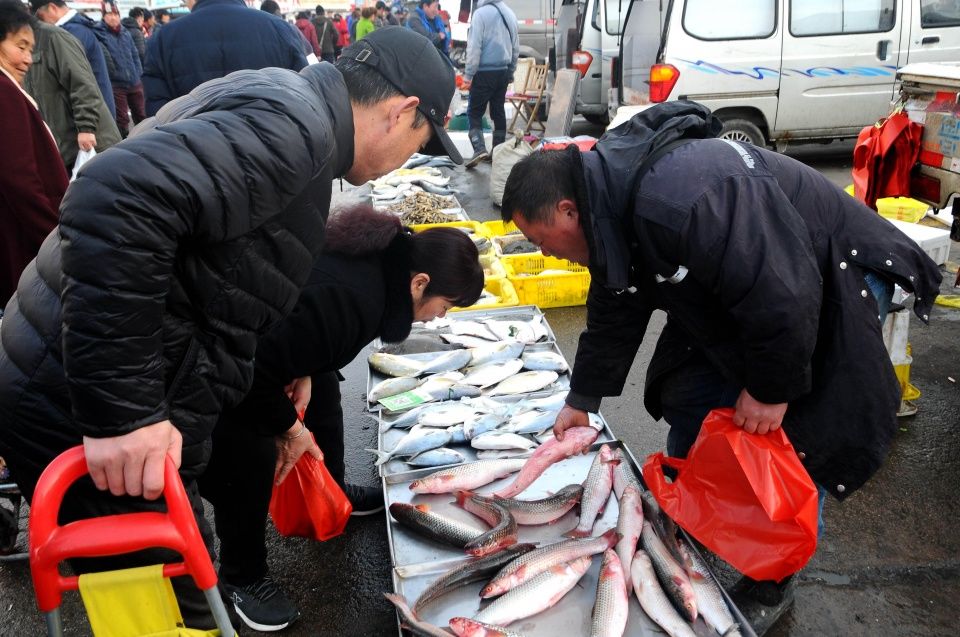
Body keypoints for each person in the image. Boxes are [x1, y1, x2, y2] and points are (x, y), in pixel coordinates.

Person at [0, 26, 461, 627]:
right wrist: (124, 414)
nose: (409, 158)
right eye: (421, 143)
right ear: (402, 113)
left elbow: (217, 259)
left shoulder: (284, 101)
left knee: (170, 576)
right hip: (74, 401)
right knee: (159, 599)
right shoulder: (294, 128)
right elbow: (112, 197)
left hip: (81, 378)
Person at [500, 100, 943, 631]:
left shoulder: (682, 197)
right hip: (756, 286)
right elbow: (617, 306)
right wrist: (583, 399)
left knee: (795, 433)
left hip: (828, 272)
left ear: (569, 210)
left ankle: (774, 575)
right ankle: (698, 514)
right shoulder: (610, 210)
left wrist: (771, 387)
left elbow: (783, 292)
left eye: (542, 241)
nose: (549, 255)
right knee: (691, 393)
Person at [202, 206, 483, 630]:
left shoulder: (383, 266)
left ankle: (334, 492)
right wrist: (292, 430)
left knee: (325, 392)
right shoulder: (354, 299)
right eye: (445, 306)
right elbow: (254, 370)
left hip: (266, 346)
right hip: (216, 364)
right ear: (419, 283)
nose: (440, 317)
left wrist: (307, 368)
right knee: (250, 454)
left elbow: (298, 329)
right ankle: (242, 578)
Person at [0, 2, 68, 306]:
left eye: (30, 49)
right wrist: (53, 236)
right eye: (20, 46)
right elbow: (19, 178)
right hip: (21, 237)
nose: (28, 59)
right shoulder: (4, 93)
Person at [142, 0, 307, 116]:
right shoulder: (282, 29)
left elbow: (158, 114)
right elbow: (306, 98)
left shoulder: (162, 39)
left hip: (195, 157)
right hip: (275, 154)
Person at [23, 10, 122, 170]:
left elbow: (82, 83)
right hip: (61, 147)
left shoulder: (53, 37)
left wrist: (86, 128)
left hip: (89, 143)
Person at [29, 0, 115, 117]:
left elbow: (78, 82)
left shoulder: (70, 33)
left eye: (40, 15)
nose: (40, 21)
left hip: (91, 115)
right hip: (92, 109)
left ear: (53, 8)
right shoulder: (77, 29)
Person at [461, 0, 518, 167]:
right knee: (498, 111)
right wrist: (511, 70)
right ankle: (498, 152)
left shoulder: (480, 15)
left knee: (474, 112)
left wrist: (468, 74)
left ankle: (479, 149)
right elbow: (515, 46)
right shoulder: (510, 13)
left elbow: (474, 46)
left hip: (484, 72)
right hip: (503, 71)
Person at [95, 0, 144, 137]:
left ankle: (145, 139)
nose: (113, 17)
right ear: (103, 16)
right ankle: (123, 143)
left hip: (134, 81)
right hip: (116, 84)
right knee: (122, 120)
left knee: (141, 114)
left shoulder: (125, 33)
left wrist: (138, 74)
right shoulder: (99, 33)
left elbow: (135, 54)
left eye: (116, 14)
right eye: (109, 14)